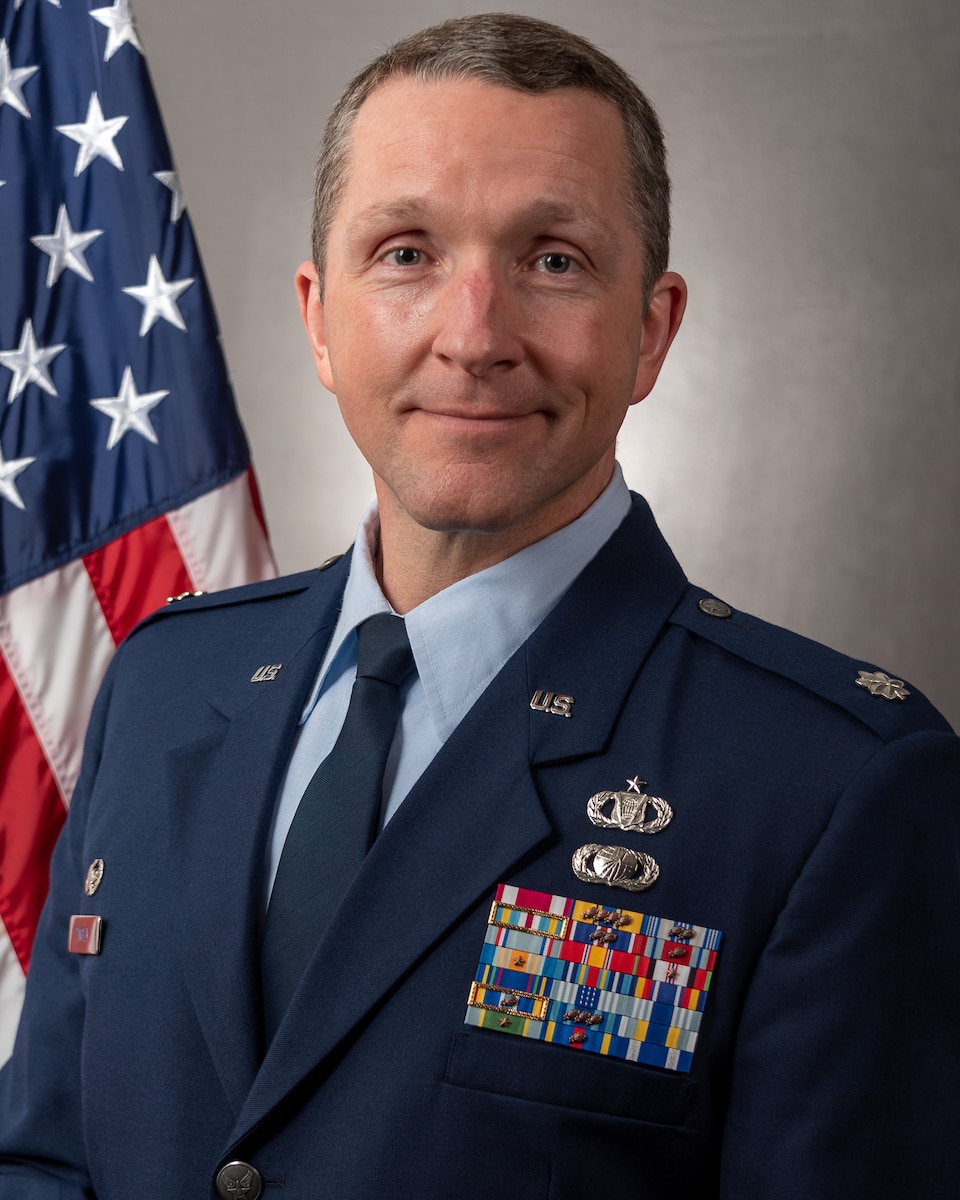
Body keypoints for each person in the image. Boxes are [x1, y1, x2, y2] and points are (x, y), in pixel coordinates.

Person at [1, 12, 958, 1199]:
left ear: (651, 331)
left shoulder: (830, 781)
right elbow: (42, 1162)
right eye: (406, 252)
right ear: (317, 317)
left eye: (553, 259)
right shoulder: (163, 682)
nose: (475, 337)